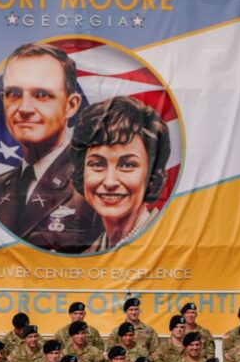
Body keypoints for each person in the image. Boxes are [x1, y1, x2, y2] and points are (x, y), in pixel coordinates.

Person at [0, 43, 99, 253]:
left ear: (71, 106)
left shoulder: (97, 187)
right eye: (14, 94)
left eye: (42, 95)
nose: (25, 108)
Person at [69, 95, 171, 252]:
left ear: (152, 175)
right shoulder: (85, 255)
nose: (110, 182)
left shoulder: (174, 247)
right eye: (97, 164)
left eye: (127, 165)